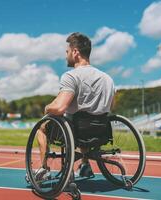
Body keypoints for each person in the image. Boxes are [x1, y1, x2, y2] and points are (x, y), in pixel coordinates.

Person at [35, 32, 115, 181]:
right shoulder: (108, 78)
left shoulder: (71, 76)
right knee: (81, 116)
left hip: (76, 131)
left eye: (67, 52)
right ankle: (84, 165)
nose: (66, 56)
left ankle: (44, 169)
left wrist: (47, 108)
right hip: (100, 130)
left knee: (42, 127)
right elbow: (111, 105)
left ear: (75, 52)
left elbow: (59, 108)